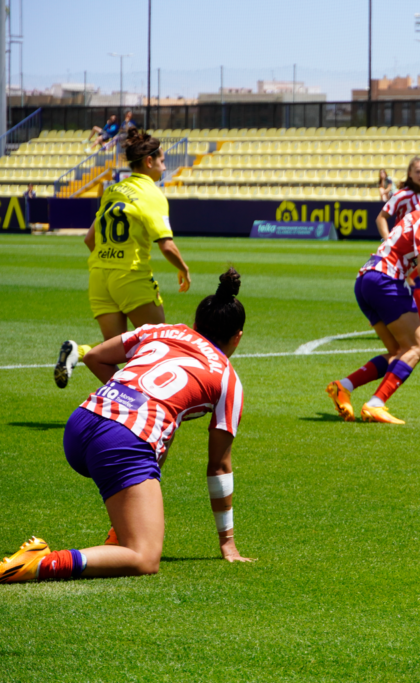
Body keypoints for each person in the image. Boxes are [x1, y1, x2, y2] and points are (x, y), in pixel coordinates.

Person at [1, 270, 251, 584]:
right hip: (118, 443)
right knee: (144, 557)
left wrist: (131, 401)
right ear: (237, 337)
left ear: (196, 323)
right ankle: (40, 563)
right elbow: (219, 466)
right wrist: (227, 542)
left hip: (80, 423)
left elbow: (93, 356)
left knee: (160, 436)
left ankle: (119, 533)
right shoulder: (228, 377)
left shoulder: (162, 330)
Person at [327, 178, 420, 425]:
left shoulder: (418, 215)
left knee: (398, 352)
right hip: (386, 281)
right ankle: (376, 404)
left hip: (365, 279)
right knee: (418, 348)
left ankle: (343, 386)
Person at [55, 128, 191, 390]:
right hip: (130, 275)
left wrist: (108, 260)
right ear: (149, 162)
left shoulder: (113, 190)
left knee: (115, 350)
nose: (163, 169)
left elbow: (89, 240)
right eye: (162, 162)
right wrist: (184, 269)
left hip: (99, 277)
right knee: (158, 343)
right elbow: (166, 245)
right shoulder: (152, 194)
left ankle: (80, 354)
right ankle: (87, 356)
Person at [375, 157, 420, 340]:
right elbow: (381, 217)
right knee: (411, 283)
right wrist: (387, 239)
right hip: (403, 250)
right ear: (410, 174)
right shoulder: (402, 195)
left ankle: (418, 323)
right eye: (418, 171)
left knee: (414, 283)